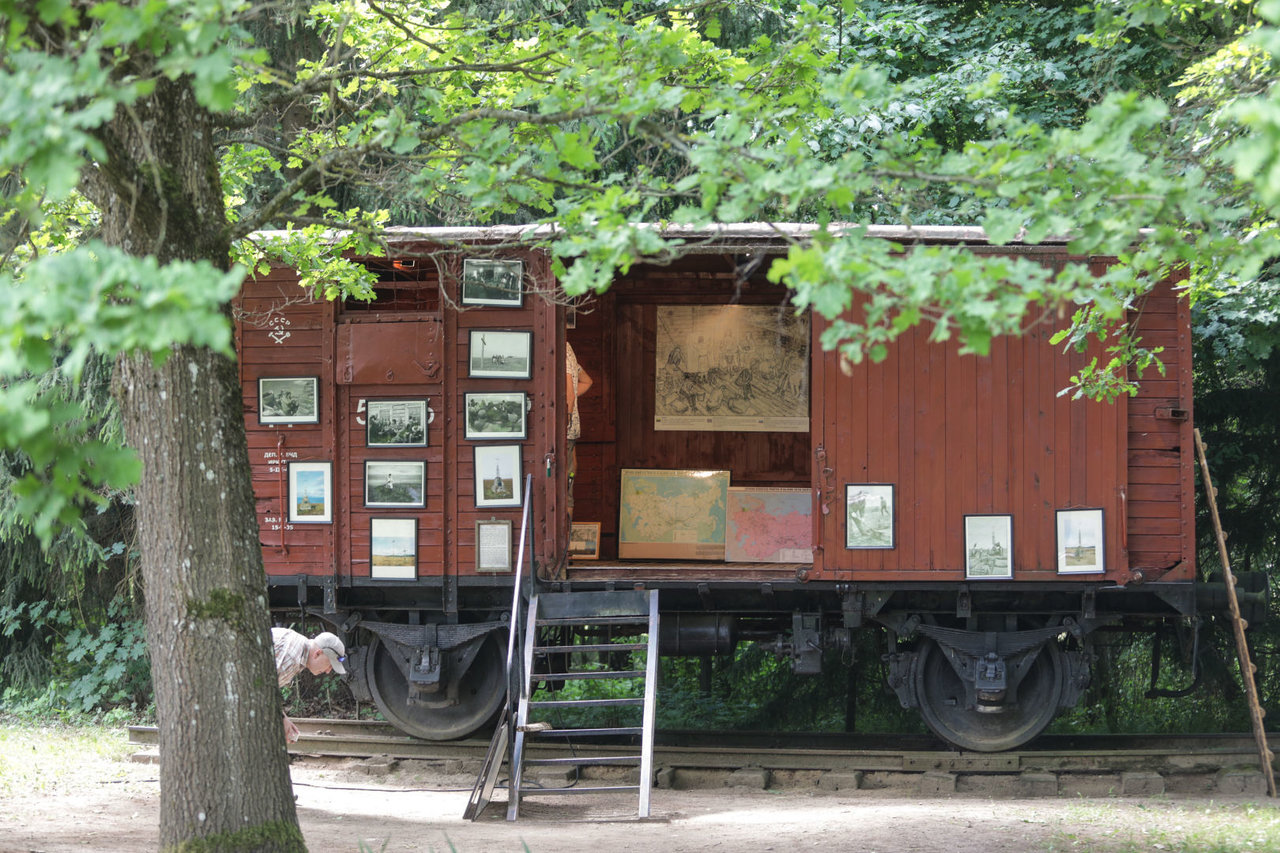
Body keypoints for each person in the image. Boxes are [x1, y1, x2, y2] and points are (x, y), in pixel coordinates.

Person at [272, 626, 346, 744]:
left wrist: (283, 718)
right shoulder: (292, 658)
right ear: (318, 653)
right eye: (330, 665)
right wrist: (282, 720)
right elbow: (261, 690)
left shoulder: (299, 647)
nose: (328, 671)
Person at [565, 341, 593, 522]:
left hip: (564, 431)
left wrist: (565, 415)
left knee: (564, 489)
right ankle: (565, 541)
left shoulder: (562, 350)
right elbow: (586, 381)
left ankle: (563, 542)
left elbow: (569, 392)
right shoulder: (570, 353)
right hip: (572, 431)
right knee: (568, 483)